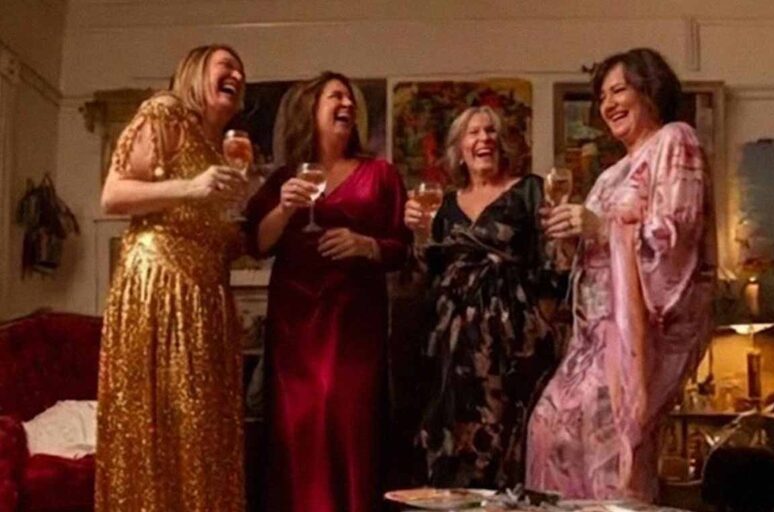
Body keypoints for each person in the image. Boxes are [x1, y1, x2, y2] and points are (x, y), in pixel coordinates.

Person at [525, 47, 714, 502]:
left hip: (639, 335)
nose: (608, 104)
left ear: (650, 89)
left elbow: (676, 236)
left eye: (619, 90)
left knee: (611, 451)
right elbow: (594, 254)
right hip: (592, 337)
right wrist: (570, 237)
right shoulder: (610, 175)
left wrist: (600, 226)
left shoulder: (675, 140)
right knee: (549, 428)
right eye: (602, 96)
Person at [244, 71, 410, 512]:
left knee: (350, 422)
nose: (348, 105)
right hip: (295, 322)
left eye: (351, 99)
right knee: (298, 425)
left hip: (355, 322)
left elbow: (402, 248)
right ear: (311, 111)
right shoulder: (286, 177)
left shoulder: (380, 174)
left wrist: (366, 245)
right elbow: (257, 244)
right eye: (336, 97)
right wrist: (284, 207)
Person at [96, 44, 249, 511]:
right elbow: (113, 195)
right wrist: (191, 187)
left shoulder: (222, 152)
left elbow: (223, 235)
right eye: (226, 65)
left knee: (203, 433)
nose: (238, 75)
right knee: (161, 421)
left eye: (241, 71)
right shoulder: (166, 112)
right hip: (160, 285)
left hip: (208, 300)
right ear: (195, 72)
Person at [404, 106, 560, 490]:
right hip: (451, 342)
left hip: (513, 337)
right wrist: (418, 235)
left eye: (491, 131)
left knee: (507, 435)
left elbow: (552, 260)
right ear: (459, 150)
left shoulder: (529, 190)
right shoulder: (444, 205)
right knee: (452, 435)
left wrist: (542, 321)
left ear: (503, 143)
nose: (483, 138)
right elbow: (425, 274)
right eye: (472, 133)